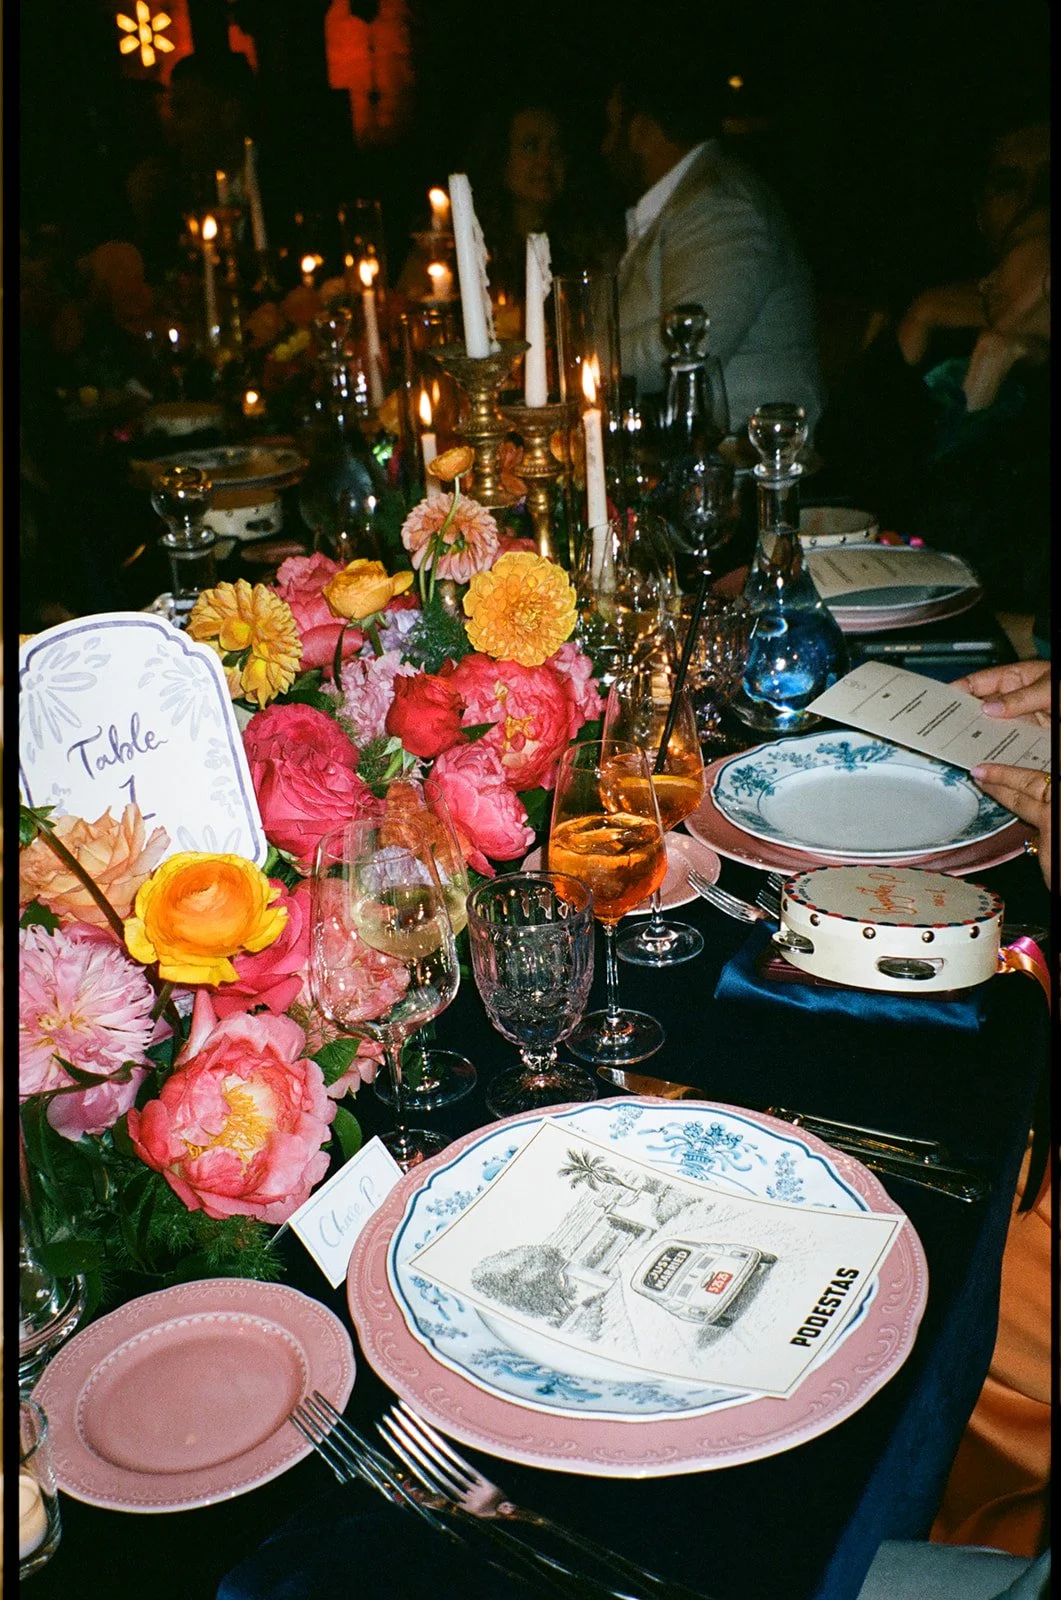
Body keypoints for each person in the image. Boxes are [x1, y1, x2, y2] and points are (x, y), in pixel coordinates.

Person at [817, 199, 1050, 632]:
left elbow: (979, 560)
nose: (986, 281)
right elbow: (840, 446)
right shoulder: (966, 343)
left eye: (1018, 249)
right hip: (915, 597)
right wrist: (922, 321)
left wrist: (983, 381)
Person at [602, 52, 823, 433]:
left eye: (610, 130)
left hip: (749, 464)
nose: (604, 148)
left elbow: (689, 346)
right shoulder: (687, 199)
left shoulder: (720, 203)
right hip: (690, 449)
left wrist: (580, 358)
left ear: (640, 132)